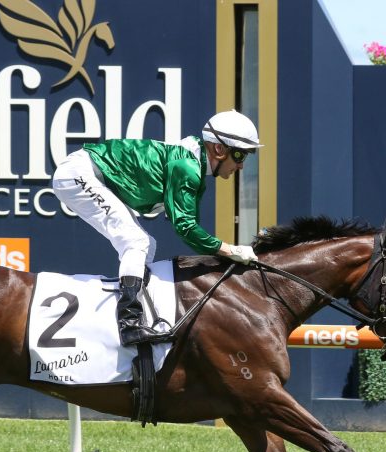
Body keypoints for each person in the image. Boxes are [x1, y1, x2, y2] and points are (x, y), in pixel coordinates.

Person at [52, 109, 261, 346]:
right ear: (219, 149)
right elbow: (186, 228)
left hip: (90, 173)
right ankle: (129, 324)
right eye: (240, 155)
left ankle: (138, 314)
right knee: (136, 242)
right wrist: (230, 250)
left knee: (147, 245)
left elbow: (189, 227)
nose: (241, 166)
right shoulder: (187, 167)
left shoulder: (193, 164)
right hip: (79, 174)